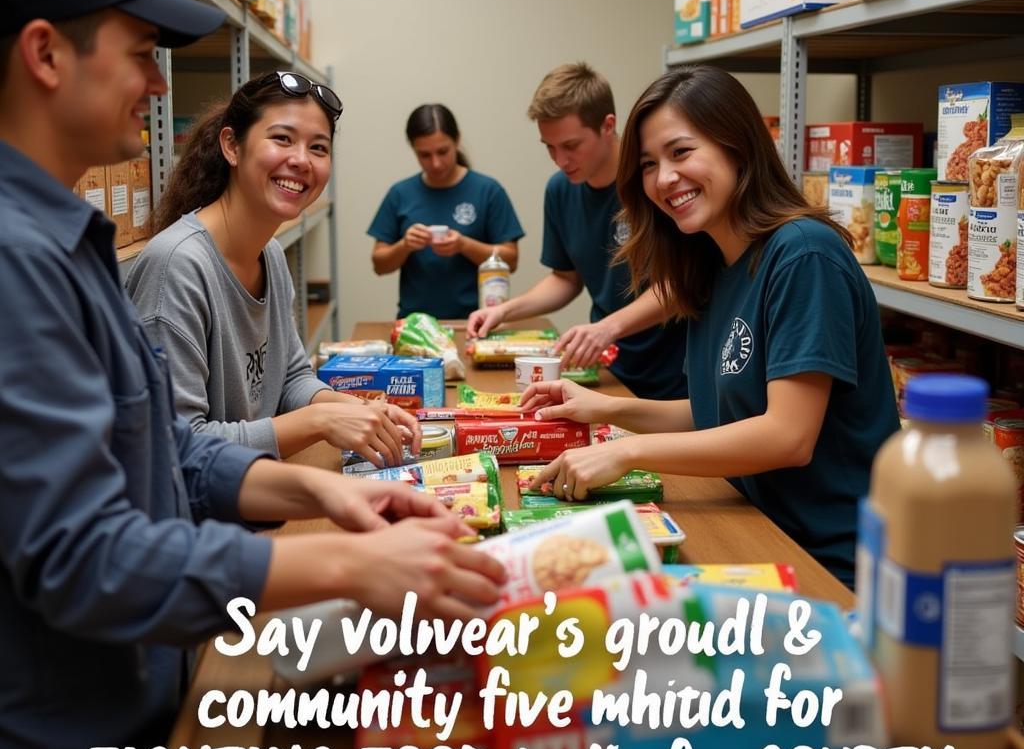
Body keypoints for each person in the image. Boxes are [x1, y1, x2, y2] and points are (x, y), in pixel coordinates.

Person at [0, 0, 504, 749]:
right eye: (140, 50)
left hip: (136, 705)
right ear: (45, 53)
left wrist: (325, 493)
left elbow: (168, 455)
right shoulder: (18, 260)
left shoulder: (70, 241)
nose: (159, 84)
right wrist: (346, 561)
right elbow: (82, 554)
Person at [520, 65, 900, 587]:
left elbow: (787, 435)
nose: (664, 179)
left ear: (736, 145)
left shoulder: (803, 255)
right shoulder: (713, 265)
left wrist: (625, 450)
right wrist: (608, 409)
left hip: (830, 564)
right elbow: (726, 411)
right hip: (757, 527)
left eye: (681, 152)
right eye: (650, 164)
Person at [126, 72, 421, 465]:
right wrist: (319, 421)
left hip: (252, 492)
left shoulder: (271, 255)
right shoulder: (177, 266)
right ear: (232, 146)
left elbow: (290, 378)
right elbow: (177, 448)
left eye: (318, 147)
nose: (300, 160)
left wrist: (356, 410)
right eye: (282, 139)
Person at [467, 63, 688, 399]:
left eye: (570, 145)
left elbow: (680, 282)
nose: (560, 159)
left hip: (675, 376)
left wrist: (608, 327)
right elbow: (566, 277)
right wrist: (504, 311)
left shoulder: (654, 181)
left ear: (607, 125)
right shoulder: (560, 190)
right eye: (549, 147)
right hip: (609, 370)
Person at [368, 103, 524, 319]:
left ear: (457, 140)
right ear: (413, 149)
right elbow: (379, 264)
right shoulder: (400, 193)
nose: (436, 163)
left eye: (443, 151)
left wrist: (464, 245)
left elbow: (511, 260)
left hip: (477, 322)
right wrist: (405, 246)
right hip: (414, 326)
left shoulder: (488, 191)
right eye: (424, 155)